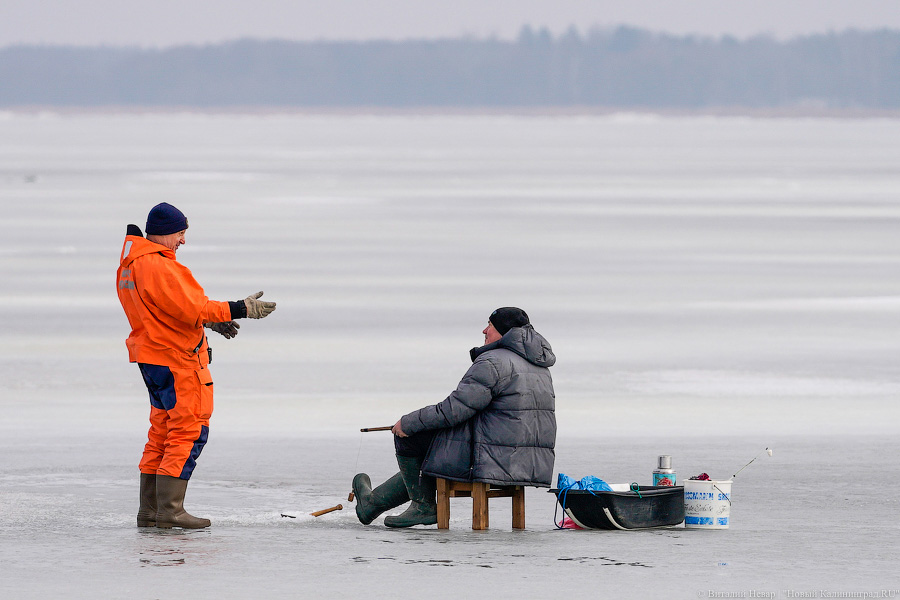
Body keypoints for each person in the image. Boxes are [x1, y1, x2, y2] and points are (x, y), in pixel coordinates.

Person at [116, 202, 276, 529]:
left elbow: (165, 309)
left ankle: (150, 511)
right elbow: (194, 306)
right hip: (177, 360)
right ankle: (171, 511)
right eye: (180, 233)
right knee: (188, 430)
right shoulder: (160, 266)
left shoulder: (132, 265)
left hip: (152, 357)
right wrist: (240, 308)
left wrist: (206, 322)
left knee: (162, 431)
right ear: (164, 233)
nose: (183, 240)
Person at [352, 307, 556, 528]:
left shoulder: (493, 362)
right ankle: (371, 505)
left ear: (504, 331)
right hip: (526, 459)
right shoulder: (538, 365)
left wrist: (408, 422)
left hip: (491, 457)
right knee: (437, 450)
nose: (484, 330)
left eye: (490, 325)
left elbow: (455, 410)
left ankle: (423, 506)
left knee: (410, 436)